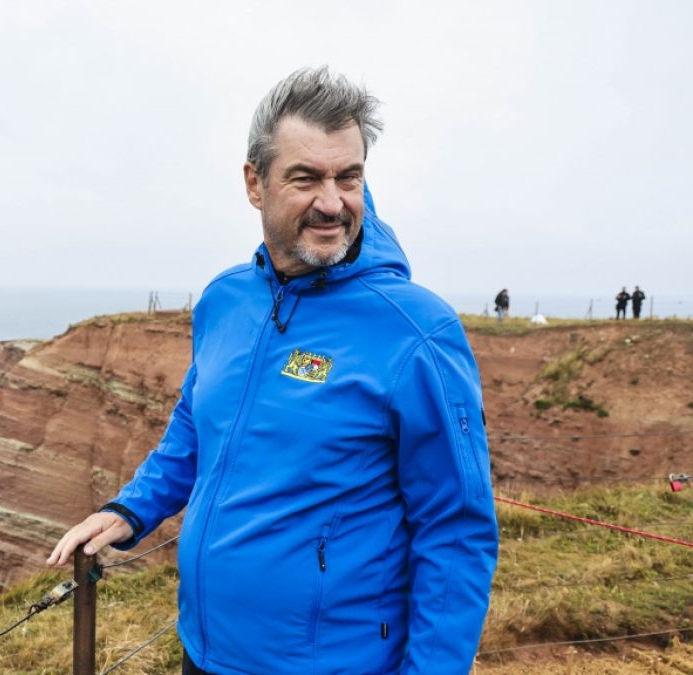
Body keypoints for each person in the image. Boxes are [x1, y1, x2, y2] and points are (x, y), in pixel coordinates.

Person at [48, 67, 498, 674]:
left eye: (349, 177)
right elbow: (195, 427)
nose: (332, 203)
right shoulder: (225, 300)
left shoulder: (418, 332)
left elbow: (457, 531)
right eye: (306, 178)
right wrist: (131, 510)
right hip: (203, 652)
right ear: (254, 183)